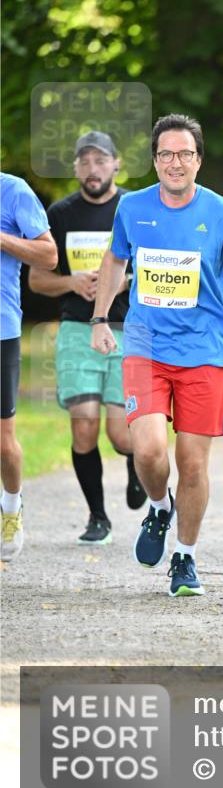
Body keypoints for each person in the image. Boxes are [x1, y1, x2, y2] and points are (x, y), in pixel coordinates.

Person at [89, 114, 223, 597]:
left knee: (192, 464)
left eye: (184, 154)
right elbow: (116, 259)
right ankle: (158, 507)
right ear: (154, 161)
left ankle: (185, 557)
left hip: (205, 349)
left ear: (199, 160)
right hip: (146, 345)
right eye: (166, 154)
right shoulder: (132, 207)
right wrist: (100, 318)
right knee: (148, 450)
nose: (175, 162)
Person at [29, 131, 147, 546]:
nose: (92, 169)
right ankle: (98, 517)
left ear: (117, 164)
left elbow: (158, 266)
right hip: (78, 330)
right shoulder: (60, 213)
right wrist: (71, 282)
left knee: (121, 435)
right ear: (76, 168)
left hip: (126, 330)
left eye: (100, 161)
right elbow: (37, 279)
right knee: (83, 429)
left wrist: (125, 280)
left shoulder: (136, 208)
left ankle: (136, 467)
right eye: (85, 162)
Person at [1, 173, 58, 561]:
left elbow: (49, 255)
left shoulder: (13, 191)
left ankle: (11, 506)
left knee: (3, 442)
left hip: (1, 328)